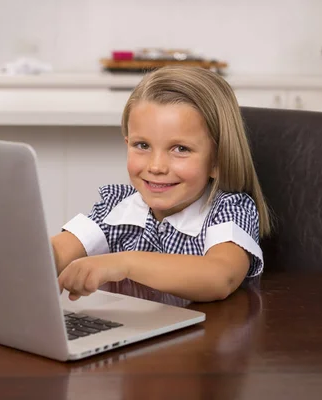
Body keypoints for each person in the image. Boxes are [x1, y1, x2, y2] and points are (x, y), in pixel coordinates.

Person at [51, 66, 271, 302]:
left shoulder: (229, 209)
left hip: (203, 338)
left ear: (218, 160)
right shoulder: (117, 206)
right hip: (136, 336)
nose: (156, 167)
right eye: (142, 146)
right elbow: (52, 255)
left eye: (180, 149)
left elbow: (220, 276)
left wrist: (125, 262)